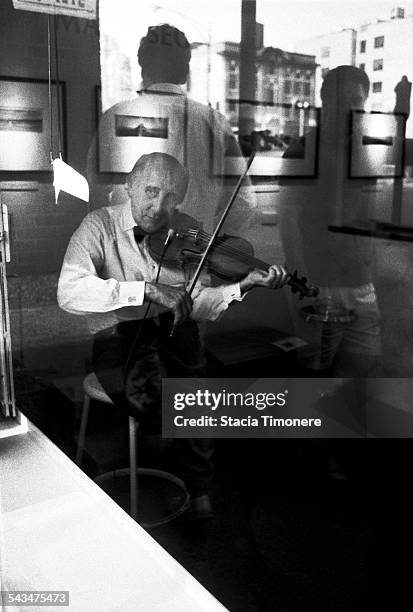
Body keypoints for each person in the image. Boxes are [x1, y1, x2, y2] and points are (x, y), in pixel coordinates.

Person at [58, 152, 287, 517]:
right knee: (158, 391)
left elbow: (197, 303)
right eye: (150, 191)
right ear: (130, 186)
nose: (158, 206)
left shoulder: (188, 231)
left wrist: (244, 284)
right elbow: (69, 292)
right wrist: (145, 290)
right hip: (117, 335)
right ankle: (171, 459)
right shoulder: (97, 226)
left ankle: (198, 485)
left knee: (200, 385)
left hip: (173, 330)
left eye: (170, 197)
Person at [88, 23, 257, 235]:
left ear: (141, 65)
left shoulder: (114, 117)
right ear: (185, 71)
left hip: (127, 258)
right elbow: (243, 203)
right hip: (193, 259)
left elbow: (95, 193)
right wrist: (209, 242)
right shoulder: (216, 123)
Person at [280, 66, 382, 377]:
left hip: (360, 281)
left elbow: (368, 213)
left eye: (358, 101)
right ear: (326, 101)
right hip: (320, 283)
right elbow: (289, 220)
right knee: (316, 374)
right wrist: (302, 283)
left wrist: (372, 266)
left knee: (362, 369)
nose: (353, 109)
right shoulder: (302, 150)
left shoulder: (366, 149)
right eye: (344, 101)